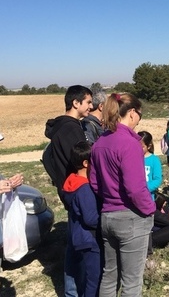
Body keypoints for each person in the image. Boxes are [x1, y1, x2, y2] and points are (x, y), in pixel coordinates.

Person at [89, 93, 155, 297]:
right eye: (140, 115)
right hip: (131, 217)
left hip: (108, 216)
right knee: (131, 282)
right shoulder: (129, 143)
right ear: (133, 113)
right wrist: (150, 209)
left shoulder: (100, 142)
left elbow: (94, 181)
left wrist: (110, 197)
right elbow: (135, 188)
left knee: (109, 275)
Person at [44, 85, 93, 297]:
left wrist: (59, 181)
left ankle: (72, 292)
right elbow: (83, 162)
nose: (91, 106)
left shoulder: (60, 127)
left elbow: (47, 158)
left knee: (74, 242)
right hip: (78, 190)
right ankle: (78, 291)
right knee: (82, 246)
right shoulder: (71, 129)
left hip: (68, 188)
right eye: (88, 102)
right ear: (76, 103)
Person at [63, 141, 101, 297]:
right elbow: (91, 218)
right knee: (94, 279)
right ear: (86, 163)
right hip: (89, 239)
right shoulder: (84, 188)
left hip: (75, 234)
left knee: (78, 272)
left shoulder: (71, 181)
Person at [138, 131, 162, 201]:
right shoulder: (132, 158)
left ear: (149, 146)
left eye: (142, 147)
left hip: (148, 198)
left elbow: (157, 179)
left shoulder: (154, 160)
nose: (138, 149)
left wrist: (144, 189)